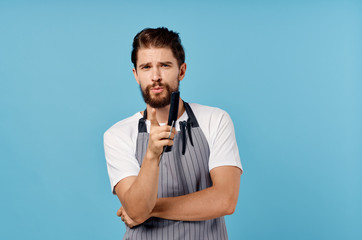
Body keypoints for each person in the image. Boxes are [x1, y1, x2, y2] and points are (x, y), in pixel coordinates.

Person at [104, 27, 243, 240]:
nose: (156, 77)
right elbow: (136, 209)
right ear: (136, 75)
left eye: (165, 65)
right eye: (146, 67)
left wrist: (150, 209)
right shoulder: (118, 135)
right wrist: (151, 155)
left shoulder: (215, 120)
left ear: (182, 70)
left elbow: (225, 200)